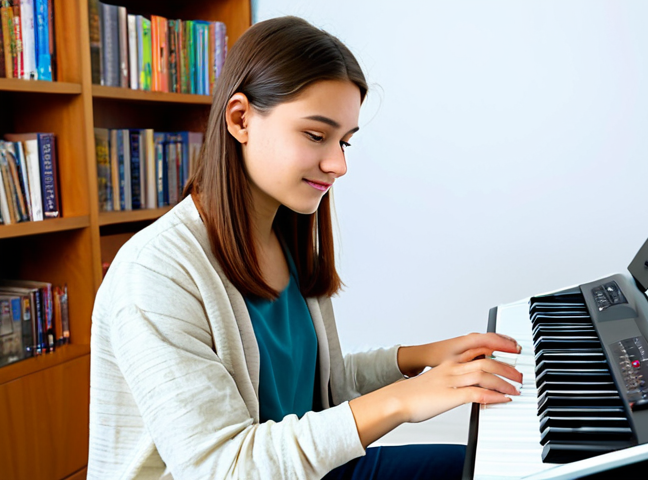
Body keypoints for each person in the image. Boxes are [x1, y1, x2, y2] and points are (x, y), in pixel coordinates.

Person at [88, 16, 522, 480]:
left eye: (345, 142)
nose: (338, 164)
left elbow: (323, 387)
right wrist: (402, 400)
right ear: (240, 119)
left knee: (485, 468)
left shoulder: (286, 237)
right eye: (316, 135)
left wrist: (421, 357)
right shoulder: (154, 274)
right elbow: (220, 467)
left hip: (307, 470)